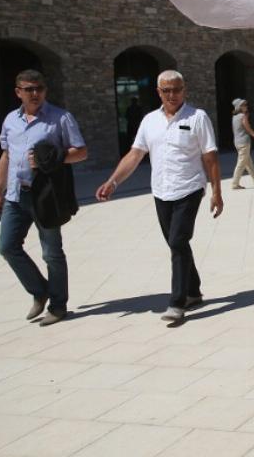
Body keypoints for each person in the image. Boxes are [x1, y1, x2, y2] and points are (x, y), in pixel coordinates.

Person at [96, 70, 223, 325]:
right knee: (177, 243)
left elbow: (210, 157)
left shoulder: (197, 117)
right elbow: (134, 155)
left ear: (184, 90)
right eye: (166, 90)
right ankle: (194, 291)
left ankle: (177, 303)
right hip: (161, 191)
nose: (172, 95)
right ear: (159, 92)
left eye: (176, 89)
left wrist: (217, 192)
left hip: (189, 188)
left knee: (178, 240)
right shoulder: (149, 121)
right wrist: (113, 181)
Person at [0, 70, 87, 326]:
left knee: (52, 253)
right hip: (15, 195)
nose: (35, 94)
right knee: (7, 247)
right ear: (18, 92)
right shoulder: (11, 120)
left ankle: (58, 306)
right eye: (29, 89)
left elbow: (81, 152)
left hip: (46, 196)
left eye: (40, 88)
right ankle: (39, 290)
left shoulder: (60, 118)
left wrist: (55, 157)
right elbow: (6, 156)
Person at [230, 99, 254, 190]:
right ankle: (235, 183)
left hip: (237, 142)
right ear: (239, 107)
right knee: (241, 163)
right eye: (244, 105)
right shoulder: (242, 116)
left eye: (246, 104)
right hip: (244, 142)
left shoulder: (235, 117)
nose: (246, 106)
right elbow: (248, 128)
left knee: (248, 163)